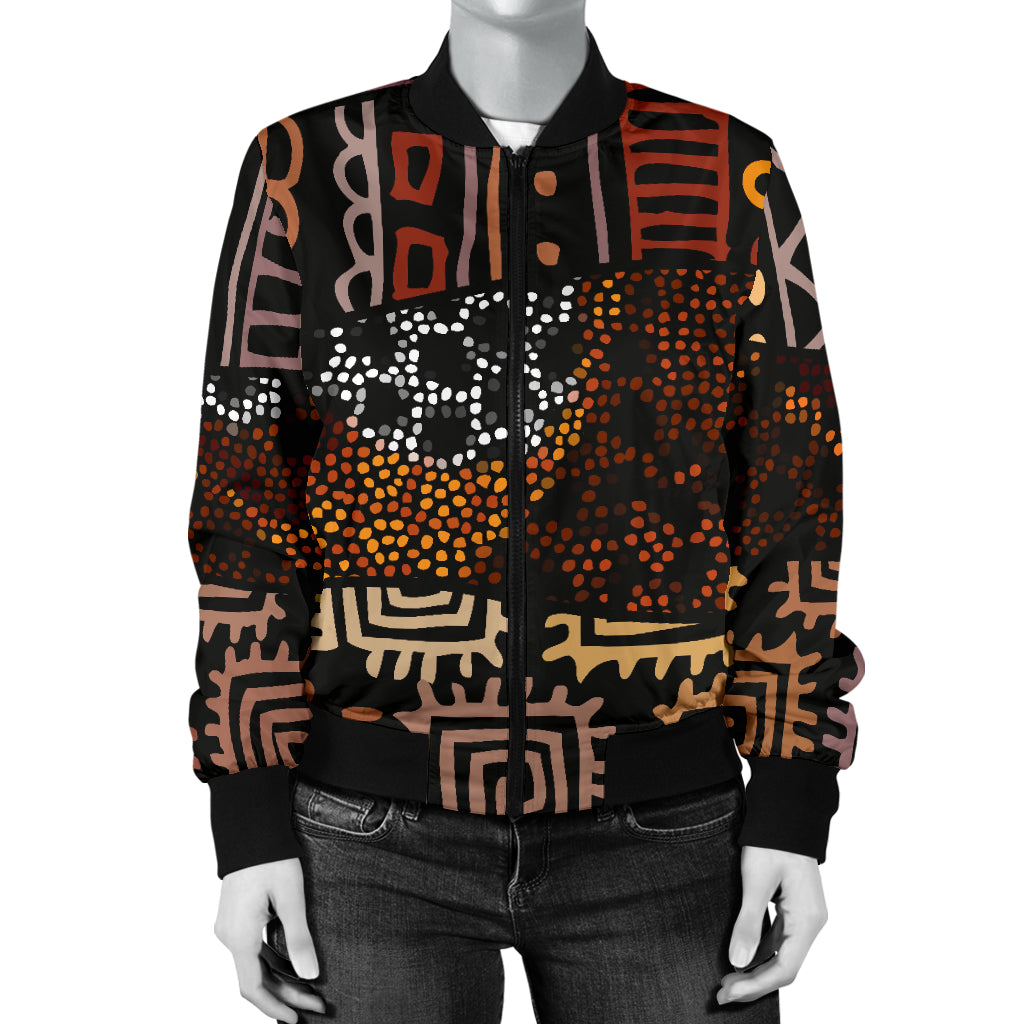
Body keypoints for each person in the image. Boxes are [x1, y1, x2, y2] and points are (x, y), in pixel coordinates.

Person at [186, 3, 864, 1021]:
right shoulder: (306, 168)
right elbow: (245, 508)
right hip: (367, 834)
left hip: (668, 828)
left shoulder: (729, 173)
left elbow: (791, 498)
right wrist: (246, 820)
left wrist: (791, 797)